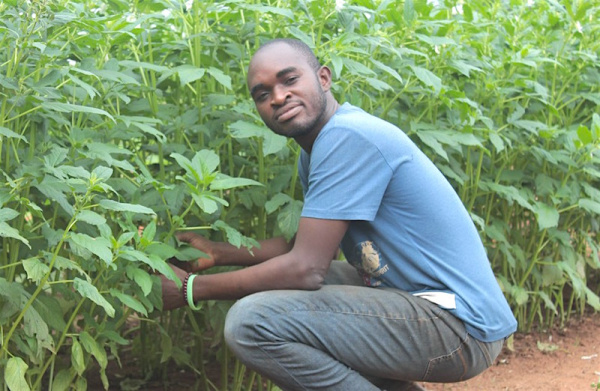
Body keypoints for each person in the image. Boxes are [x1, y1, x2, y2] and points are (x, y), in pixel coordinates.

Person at [161, 38, 517, 391]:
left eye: (289, 80)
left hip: (459, 326)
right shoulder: (317, 150)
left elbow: (306, 268)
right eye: (262, 94)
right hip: (428, 311)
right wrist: (219, 252)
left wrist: (192, 288)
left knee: (252, 322)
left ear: (324, 78)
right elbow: (307, 249)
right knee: (308, 289)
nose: (278, 97)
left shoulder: (347, 137)